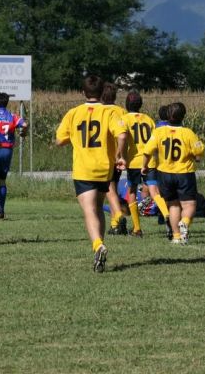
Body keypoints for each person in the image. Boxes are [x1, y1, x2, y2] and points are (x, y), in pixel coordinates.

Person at [56, 75, 128, 273]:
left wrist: (72, 138)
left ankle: (98, 244)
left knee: (89, 209)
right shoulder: (109, 113)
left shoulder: (73, 113)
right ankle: (100, 245)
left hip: (83, 168)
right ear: (102, 92)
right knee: (98, 206)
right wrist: (119, 155)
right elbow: (121, 134)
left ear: (83, 92)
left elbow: (60, 139)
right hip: (104, 168)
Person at [141, 102, 204, 245]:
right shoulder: (188, 133)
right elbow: (199, 151)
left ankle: (176, 236)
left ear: (168, 116)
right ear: (183, 116)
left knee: (173, 205)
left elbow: (147, 151)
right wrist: (196, 157)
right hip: (184, 173)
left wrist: (144, 166)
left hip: (165, 173)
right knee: (189, 205)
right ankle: (185, 222)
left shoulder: (158, 132)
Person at [121, 90, 171, 238]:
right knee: (155, 192)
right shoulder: (149, 119)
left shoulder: (124, 119)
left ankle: (137, 228)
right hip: (150, 160)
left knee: (131, 192)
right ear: (140, 104)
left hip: (134, 161)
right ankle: (167, 214)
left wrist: (121, 156)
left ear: (126, 104)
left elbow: (122, 139)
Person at [0, 92, 28, 219]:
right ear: (7, 102)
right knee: (2, 181)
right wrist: (23, 133)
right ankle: (2, 210)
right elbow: (25, 124)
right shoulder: (12, 116)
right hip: (6, 151)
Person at [101, 82, 129, 235]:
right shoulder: (122, 111)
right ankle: (114, 225)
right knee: (113, 188)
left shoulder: (101, 111)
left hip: (105, 156)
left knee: (109, 190)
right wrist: (122, 154)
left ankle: (118, 217)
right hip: (118, 156)